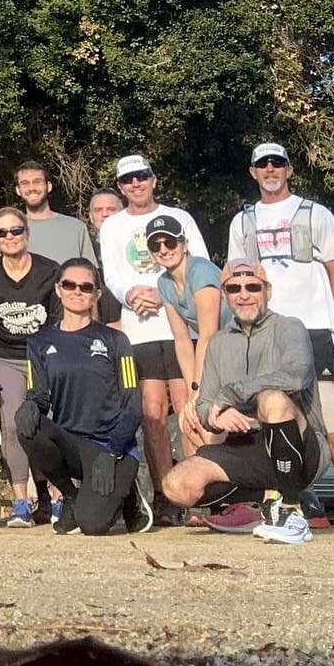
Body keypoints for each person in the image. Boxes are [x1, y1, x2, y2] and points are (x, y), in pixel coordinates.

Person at [224, 142, 334, 532]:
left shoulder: (315, 212)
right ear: (252, 172)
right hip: (266, 329)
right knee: (277, 411)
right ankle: (297, 493)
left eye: (278, 163)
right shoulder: (243, 221)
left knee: (326, 407)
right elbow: (236, 276)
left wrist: (325, 314)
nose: (270, 169)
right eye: (262, 164)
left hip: (313, 326)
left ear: (289, 170)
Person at [161, 259, 326, 545]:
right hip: (244, 446)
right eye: (234, 288)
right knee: (175, 486)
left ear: (268, 291)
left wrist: (231, 395)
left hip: (300, 444)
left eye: (253, 286)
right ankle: (266, 501)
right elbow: (204, 406)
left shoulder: (289, 327)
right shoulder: (219, 342)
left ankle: (292, 512)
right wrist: (215, 418)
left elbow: (296, 377)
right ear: (225, 295)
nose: (244, 294)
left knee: (272, 399)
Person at [98, 154, 208, 519]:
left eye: (142, 176)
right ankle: (165, 494)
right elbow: (112, 273)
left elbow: (200, 263)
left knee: (187, 408)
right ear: (120, 187)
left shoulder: (181, 218)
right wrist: (131, 295)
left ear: (154, 179)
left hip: (180, 323)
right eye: (128, 180)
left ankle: (195, 492)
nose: (136, 184)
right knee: (153, 413)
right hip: (138, 327)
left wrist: (165, 293)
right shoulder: (111, 226)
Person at [16, 258, 152, 535]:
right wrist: (29, 405)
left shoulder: (115, 340)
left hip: (113, 447)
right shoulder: (40, 342)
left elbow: (133, 405)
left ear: (96, 294)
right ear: (58, 289)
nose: (77, 291)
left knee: (93, 525)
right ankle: (70, 495)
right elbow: (39, 397)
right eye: (69, 285)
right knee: (27, 422)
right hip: (72, 445)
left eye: (86, 287)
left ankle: (130, 494)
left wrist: (113, 450)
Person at [0, 207, 60, 528]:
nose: (9, 237)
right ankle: (21, 502)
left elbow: (55, 321)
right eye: (1, 233)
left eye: (16, 231)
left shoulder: (50, 271)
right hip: (7, 358)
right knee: (11, 425)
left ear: (26, 233)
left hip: (42, 358)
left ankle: (58, 496)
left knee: (46, 424)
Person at [148, 214, 229, 457]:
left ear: (183, 245)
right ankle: (204, 488)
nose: (163, 250)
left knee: (211, 416)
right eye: (156, 245)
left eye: (170, 243)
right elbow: (182, 341)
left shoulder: (201, 271)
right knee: (190, 418)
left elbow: (207, 334)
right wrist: (192, 392)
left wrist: (197, 389)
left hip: (235, 345)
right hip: (213, 351)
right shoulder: (164, 282)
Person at [15, 161, 95, 266]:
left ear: (49, 186)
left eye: (37, 181)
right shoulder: (9, 232)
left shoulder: (75, 228)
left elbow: (91, 274)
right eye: (25, 183)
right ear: (18, 190)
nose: (31, 188)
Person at [86, 189, 125, 328]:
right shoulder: (84, 250)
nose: (105, 214)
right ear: (91, 216)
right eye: (98, 210)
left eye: (111, 209)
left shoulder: (135, 249)